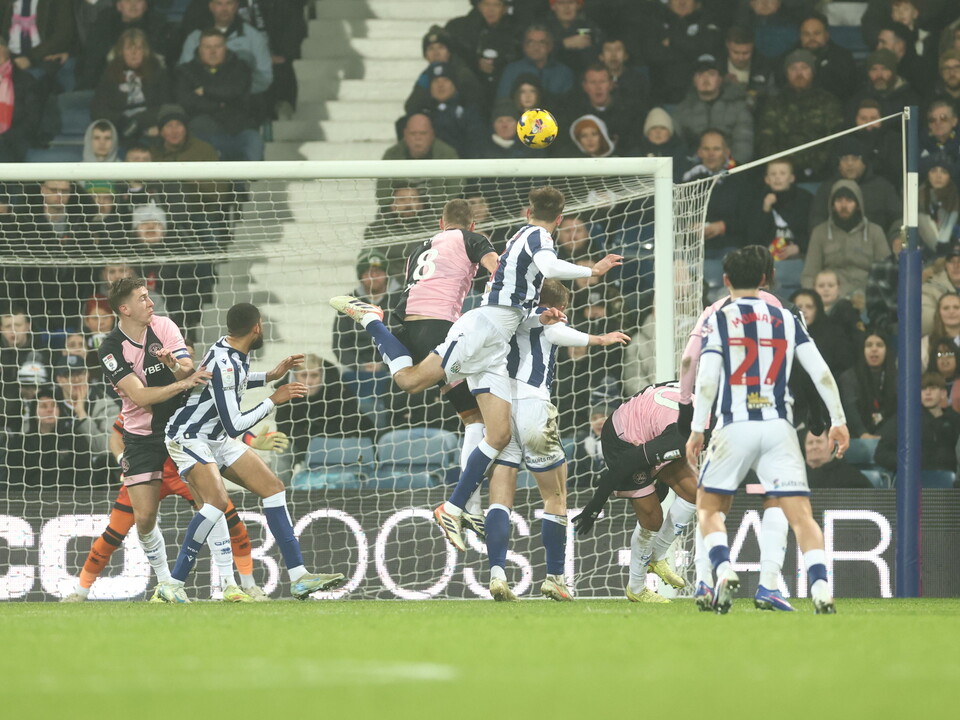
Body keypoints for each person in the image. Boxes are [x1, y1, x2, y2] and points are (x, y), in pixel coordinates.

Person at [330, 186, 622, 553]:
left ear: (440, 223)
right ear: (471, 224)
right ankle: (373, 321)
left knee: (484, 425)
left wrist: (537, 311)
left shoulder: (424, 244)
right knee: (411, 382)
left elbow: (418, 283)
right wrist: (589, 271)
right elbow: (499, 270)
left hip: (435, 325)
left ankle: (460, 507)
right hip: (457, 327)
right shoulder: (483, 238)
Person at [686, 246, 850, 614]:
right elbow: (820, 372)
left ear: (726, 281)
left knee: (709, 508)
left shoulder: (719, 319)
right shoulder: (787, 317)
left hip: (734, 425)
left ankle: (723, 570)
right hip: (779, 426)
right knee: (801, 515)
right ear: (765, 279)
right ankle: (821, 588)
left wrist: (698, 429)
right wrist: (838, 421)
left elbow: (707, 378)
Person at [162, 302, 346, 602]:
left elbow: (233, 382)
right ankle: (172, 583)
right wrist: (274, 398)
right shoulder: (226, 362)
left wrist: (271, 375)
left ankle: (299, 577)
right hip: (189, 437)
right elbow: (235, 425)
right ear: (257, 328)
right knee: (217, 501)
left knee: (273, 488)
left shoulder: (228, 348)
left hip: (215, 438)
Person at [486, 279, 628, 602]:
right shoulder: (547, 319)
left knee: (501, 494)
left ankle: (496, 572)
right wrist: (600, 338)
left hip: (499, 407)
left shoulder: (506, 318)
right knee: (556, 495)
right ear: (559, 307)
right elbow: (558, 334)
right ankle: (555, 577)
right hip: (533, 406)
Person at [62, 413, 288, 602]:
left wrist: (250, 440)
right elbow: (116, 437)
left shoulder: (187, 396)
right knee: (114, 533)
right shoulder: (142, 394)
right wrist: (124, 461)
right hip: (146, 470)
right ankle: (81, 591)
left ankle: (248, 585)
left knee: (230, 519)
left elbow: (218, 426)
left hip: (185, 467)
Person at [96, 277, 210, 601]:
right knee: (144, 518)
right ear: (124, 308)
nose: (151, 303)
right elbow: (141, 397)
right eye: (143, 298)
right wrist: (181, 385)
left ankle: (229, 581)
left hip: (179, 428)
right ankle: (165, 585)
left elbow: (187, 367)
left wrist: (176, 367)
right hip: (141, 435)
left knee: (211, 503)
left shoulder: (164, 325)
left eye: (149, 296)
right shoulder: (110, 350)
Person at [572, 381, 700, 604]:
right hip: (623, 441)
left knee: (696, 493)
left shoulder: (704, 413)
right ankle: (637, 587)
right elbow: (627, 463)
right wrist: (594, 507)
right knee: (652, 518)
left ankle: (656, 557)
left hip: (653, 431)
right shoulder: (682, 435)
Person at [273, 353, 374, 482]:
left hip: (338, 444)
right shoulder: (284, 396)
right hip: (303, 445)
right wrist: (309, 450)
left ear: (323, 376)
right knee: (279, 448)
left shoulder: (342, 393)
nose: (309, 381)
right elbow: (286, 429)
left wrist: (317, 449)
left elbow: (347, 427)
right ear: (295, 377)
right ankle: (277, 495)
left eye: (314, 375)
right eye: (304, 375)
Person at [176, 28, 263, 161]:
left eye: (217, 46)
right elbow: (188, 102)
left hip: (239, 129)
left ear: (225, 48)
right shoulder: (186, 71)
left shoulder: (241, 67)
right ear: (199, 48)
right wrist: (221, 104)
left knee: (254, 144)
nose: (212, 52)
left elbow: (235, 91)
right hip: (205, 130)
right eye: (207, 47)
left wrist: (205, 91)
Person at [756, 49, 843, 181]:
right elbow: (765, 138)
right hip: (781, 173)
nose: (799, 73)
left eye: (804, 67)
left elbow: (834, 138)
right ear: (786, 73)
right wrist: (783, 166)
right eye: (793, 68)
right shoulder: (775, 102)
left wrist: (815, 164)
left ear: (812, 71)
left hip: (819, 172)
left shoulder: (828, 101)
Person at [801, 180, 891, 299]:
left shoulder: (875, 232)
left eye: (849, 201)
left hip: (866, 296)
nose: (843, 206)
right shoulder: (820, 232)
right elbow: (809, 275)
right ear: (832, 205)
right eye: (839, 201)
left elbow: (886, 272)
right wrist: (815, 299)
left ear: (858, 204)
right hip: (830, 297)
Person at [808, 137, 902, 236]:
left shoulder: (882, 187)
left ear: (864, 162)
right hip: (836, 246)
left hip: (874, 246)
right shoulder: (827, 188)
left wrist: (895, 237)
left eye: (855, 158)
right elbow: (816, 221)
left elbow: (899, 218)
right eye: (844, 159)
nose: (849, 163)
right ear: (838, 164)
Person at [178, 0, 272, 96]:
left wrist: (234, 94)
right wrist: (210, 95)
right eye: (219, 4)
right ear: (211, 6)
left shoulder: (253, 37)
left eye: (229, 3)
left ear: (236, 6)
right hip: (203, 103)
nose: (224, 9)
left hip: (242, 103)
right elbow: (185, 74)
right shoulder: (195, 38)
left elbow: (264, 78)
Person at [673, 54, 753, 164]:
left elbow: (743, 143)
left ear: (720, 79)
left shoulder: (738, 107)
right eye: (700, 74)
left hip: (731, 170)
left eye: (711, 74)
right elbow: (679, 146)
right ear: (694, 80)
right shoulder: (682, 110)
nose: (705, 79)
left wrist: (729, 168)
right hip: (694, 170)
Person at [875, 371, 960, 473]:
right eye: (923, 389)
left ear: (943, 393)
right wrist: (907, 462)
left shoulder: (954, 420)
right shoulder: (906, 419)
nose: (927, 392)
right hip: (914, 480)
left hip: (949, 483)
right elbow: (880, 453)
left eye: (932, 388)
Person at [641, 0, 723, 105]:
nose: (682, 2)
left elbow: (708, 47)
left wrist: (673, 41)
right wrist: (689, 49)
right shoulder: (656, 20)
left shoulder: (707, 18)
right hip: (662, 97)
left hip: (698, 99)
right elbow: (652, 54)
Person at [79, 0, 169, 90]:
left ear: (145, 6)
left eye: (138, 1)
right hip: (106, 86)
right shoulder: (104, 25)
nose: (133, 5)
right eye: (128, 1)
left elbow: (161, 62)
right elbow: (92, 63)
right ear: (119, 6)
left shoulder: (158, 26)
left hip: (148, 86)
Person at [741, 158, 812, 264]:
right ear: (767, 179)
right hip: (765, 258)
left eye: (782, 173)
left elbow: (814, 231)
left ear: (791, 178)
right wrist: (765, 209)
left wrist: (798, 247)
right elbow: (753, 238)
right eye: (773, 174)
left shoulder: (805, 199)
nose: (777, 177)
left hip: (799, 255)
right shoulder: (757, 200)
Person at [838, 332, 898, 439]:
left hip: (890, 438)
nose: (874, 349)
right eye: (869, 345)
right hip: (857, 438)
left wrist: (883, 436)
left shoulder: (898, 377)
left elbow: (898, 413)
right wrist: (863, 433)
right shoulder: (849, 377)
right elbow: (850, 408)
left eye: (879, 345)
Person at [495, 25, 575, 101]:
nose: (536, 47)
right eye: (531, 42)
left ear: (550, 46)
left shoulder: (563, 72)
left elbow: (568, 105)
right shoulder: (512, 70)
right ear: (524, 46)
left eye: (542, 42)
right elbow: (503, 102)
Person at [790, 288, 855, 379]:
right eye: (799, 307)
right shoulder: (784, 333)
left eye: (809, 307)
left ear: (817, 309)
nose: (803, 311)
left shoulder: (834, 334)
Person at [794, 12, 859, 101]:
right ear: (800, 36)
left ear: (826, 35)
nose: (811, 38)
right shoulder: (790, 56)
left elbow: (849, 89)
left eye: (816, 33)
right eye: (806, 34)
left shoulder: (842, 57)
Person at [719, 25, 776, 114]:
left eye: (746, 53)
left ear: (752, 46)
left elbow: (772, 99)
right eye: (736, 52)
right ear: (727, 45)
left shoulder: (764, 66)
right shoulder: (716, 67)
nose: (741, 58)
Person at [0, 38, 39, 163]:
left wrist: (7, 137)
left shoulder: (25, 80)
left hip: (15, 138)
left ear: (6, 51)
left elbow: (32, 117)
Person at [918, 153, 960, 255]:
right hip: (925, 253)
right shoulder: (917, 197)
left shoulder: (956, 198)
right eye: (933, 171)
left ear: (950, 176)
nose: (938, 176)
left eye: (944, 172)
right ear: (928, 174)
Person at [803, 429, 872, 489]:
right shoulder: (796, 474)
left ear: (831, 446)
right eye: (810, 443)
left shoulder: (848, 475)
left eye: (819, 442)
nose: (814, 447)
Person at [922, 243, 960, 335]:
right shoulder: (929, 288)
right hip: (943, 343)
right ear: (944, 264)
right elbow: (926, 324)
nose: (956, 266)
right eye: (951, 261)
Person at [921, 291, 960, 368]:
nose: (951, 312)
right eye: (946, 308)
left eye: (956, 307)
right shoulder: (926, 343)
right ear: (939, 313)